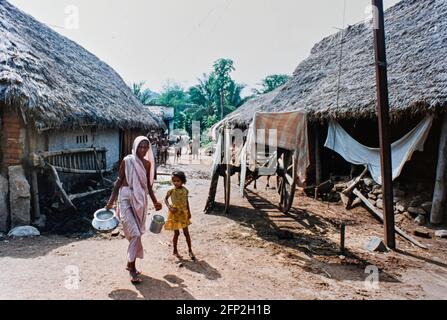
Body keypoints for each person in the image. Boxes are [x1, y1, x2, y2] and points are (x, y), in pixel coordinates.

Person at [106, 136, 162, 284]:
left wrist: (155, 202)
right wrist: (111, 202)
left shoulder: (148, 164)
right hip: (125, 197)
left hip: (140, 199)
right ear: (135, 147)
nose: (143, 150)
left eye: (145, 147)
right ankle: (131, 268)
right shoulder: (127, 160)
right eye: (140, 147)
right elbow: (118, 182)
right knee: (135, 234)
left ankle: (130, 264)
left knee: (136, 234)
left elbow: (147, 186)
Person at [164, 171, 195, 261]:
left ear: (182, 181)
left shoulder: (185, 190)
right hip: (174, 214)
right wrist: (169, 207)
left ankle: (190, 250)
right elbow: (165, 199)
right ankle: (175, 250)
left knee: (186, 233)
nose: (175, 183)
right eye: (174, 181)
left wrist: (189, 212)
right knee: (176, 233)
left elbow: (187, 202)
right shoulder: (171, 190)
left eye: (178, 181)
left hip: (183, 214)